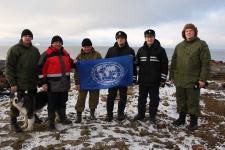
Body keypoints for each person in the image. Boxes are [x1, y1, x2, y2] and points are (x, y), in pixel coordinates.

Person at [169, 23, 211, 131]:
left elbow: (206, 63)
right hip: (180, 80)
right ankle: (181, 119)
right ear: (184, 33)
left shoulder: (201, 45)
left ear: (195, 32)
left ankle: (193, 122)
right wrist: (172, 76)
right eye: (186, 31)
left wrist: (202, 79)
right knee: (181, 100)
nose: (188, 32)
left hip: (193, 80)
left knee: (193, 102)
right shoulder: (179, 46)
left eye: (190, 30)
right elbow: (174, 62)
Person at [5, 29, 40, 132]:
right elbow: (9, 67)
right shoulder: (14, 49)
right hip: (19, 82)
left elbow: (38, 66)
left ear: (32, 38)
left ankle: (32, 115)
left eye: (29, 36)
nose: (27, 38)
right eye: (25, 36)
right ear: (22, 37)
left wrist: (38, 79)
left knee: (33, 101)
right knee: (15, 103)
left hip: (32, 82)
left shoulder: (35, 50)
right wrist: (12, 83)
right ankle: (13, 122)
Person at [38, 35, 74, 131]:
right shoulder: (46, 54)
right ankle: (51, 123)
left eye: (59, 42)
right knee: (52, 104)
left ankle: (62, 118)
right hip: (52, 85)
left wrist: (77, 62)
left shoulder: (66, 54)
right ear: (52, 43)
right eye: (56, 42)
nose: (58, 44)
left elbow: (71, 63)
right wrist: (43, 83)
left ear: (62, 43)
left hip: (64, 84)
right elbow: (40, 69)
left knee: (62, 102)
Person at [134, 29, 168, 123]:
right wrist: (132, 59)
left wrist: (162, 79)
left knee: (154, 99)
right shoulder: (141, 50)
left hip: (155, 81)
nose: (150, 39)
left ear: (154, 37)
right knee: (141, 98)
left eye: (151, 37)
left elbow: (164, 66)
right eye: (148, 37)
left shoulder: (161, 50)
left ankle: (152, 116)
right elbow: (137, 63)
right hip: (143, 80)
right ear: (145, 38)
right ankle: (141, 114)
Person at [104, 31, 137, 122]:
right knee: (111, 96)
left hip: (124, 78)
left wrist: (134, 78)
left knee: (123, 96)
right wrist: (106, 77)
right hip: (113, 78)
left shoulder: (130, 50)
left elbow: (133, 65)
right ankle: (109, 114)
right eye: (118, 38)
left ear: (125, 39)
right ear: (116, 39)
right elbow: (105, 63)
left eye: (122, 38)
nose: (120, 39)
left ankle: (120, 113)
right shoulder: (111, 50)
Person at [74, 38, 102, 123]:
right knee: (81, 98)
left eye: (88, 46)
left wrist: (100, 80)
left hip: (94, 81)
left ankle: (92, 114)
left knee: (94, 98)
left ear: (91, 46)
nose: (86, 48)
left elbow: (102, 67)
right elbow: (76, 70)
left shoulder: (97, 55)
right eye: (85, 47)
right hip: (83, 81)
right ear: (82, 47)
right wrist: (77, 82)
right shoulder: (79, 56)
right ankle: (79, 115)